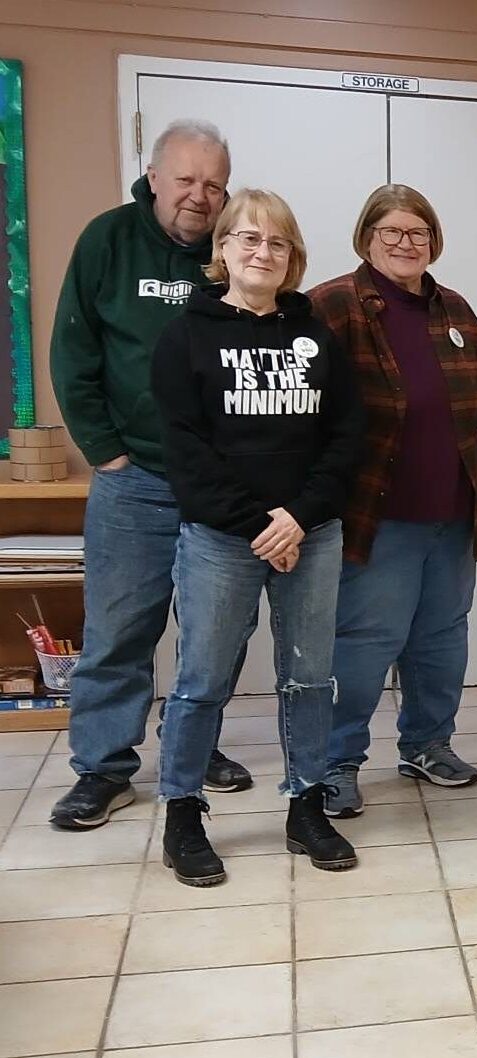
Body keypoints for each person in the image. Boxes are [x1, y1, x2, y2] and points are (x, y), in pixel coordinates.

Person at [149, 188, 366, 886]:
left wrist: (298, 518)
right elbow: (186, 453)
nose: (261, 253)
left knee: (308, 676)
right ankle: (183, 812)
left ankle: (306, 804)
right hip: (222, 540)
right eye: (247, 239)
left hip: (311, 533)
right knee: (202, 680)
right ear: (222, 252)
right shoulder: (186, 337)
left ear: (292, 257)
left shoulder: (316, 338)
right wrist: (261, 526)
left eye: (276, 243)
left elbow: (345, 439)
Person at [47, 119, 255, 831]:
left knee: (217, 632)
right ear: (155, 176)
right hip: (134, 479)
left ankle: (196, 748)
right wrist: (106, 450)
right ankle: (102, 769)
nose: (199, 197)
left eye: (214, 184)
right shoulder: (108, 240)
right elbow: (72, 353)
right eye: (187, 180)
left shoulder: (237, 250)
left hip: (220, 485)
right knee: (119, 630)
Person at [308, 185, 477, 817]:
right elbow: (306, 412)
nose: (405, 243)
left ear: (434, 241)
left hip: (451, 514)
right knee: (365, 643)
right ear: (367, 237)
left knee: (441, 640)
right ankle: (336, 762)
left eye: (417, 233)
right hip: (376, 516)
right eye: (391, 232)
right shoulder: (332, 305)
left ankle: (428, 743)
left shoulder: (454, 310)